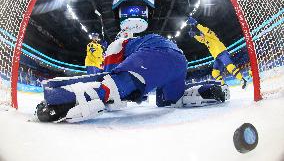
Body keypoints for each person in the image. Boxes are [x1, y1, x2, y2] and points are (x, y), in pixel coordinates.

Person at [36, 32, 229, 123]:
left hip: (156, 54)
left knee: (112, 87)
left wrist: (113, 91)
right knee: (170, 102)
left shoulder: (118, 43)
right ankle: (211, 89)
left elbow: (109, 75)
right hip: (180, 61)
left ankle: (57, 103)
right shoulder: (146, 40)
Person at [186, 17, 247, 89]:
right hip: (217, 57)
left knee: (229, 66)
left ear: (204, 33)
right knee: (214, 73)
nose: (201, 36)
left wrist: (196, 24)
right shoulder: (206, 41)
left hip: (222, 52)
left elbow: (205, 30)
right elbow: (201, 40)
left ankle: (242, 79)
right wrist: (195, 36)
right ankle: (223, 85)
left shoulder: (211, 34)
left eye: (201, 34)